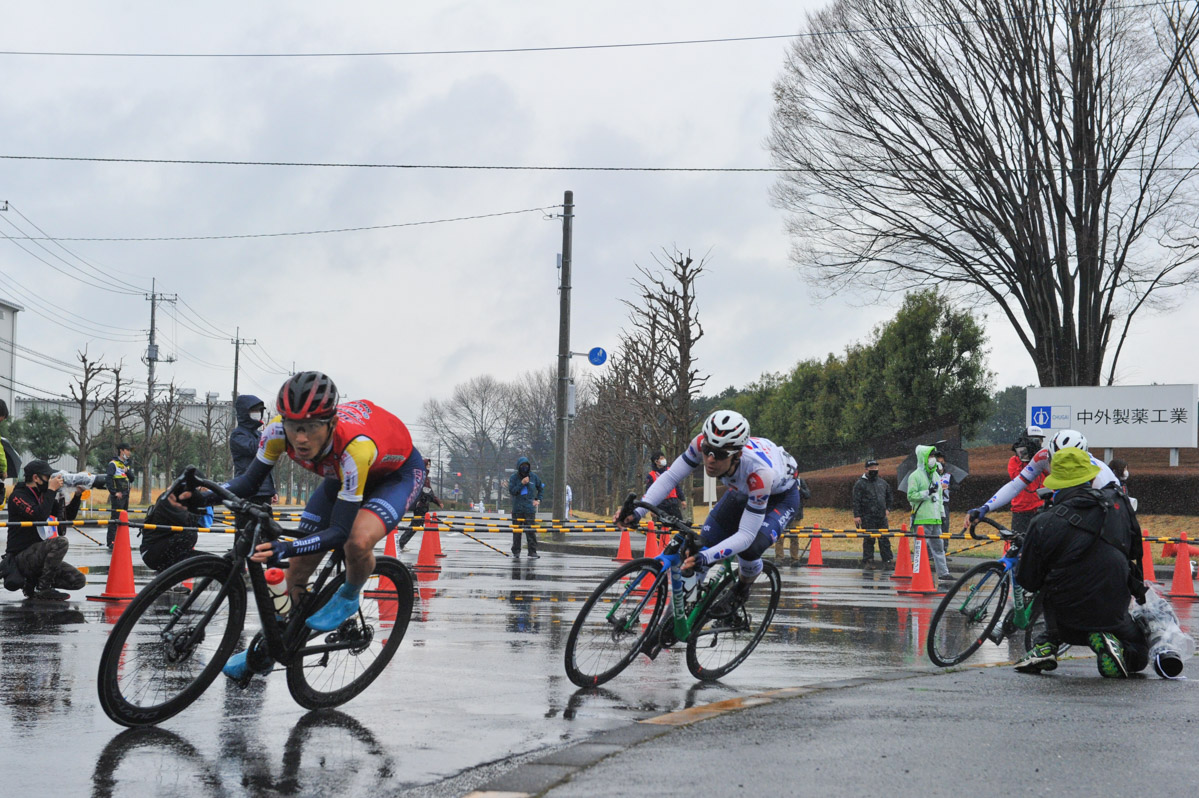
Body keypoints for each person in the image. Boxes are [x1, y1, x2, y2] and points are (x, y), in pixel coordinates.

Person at [217, 371, 426, 681]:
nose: (301, 438)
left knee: (355, 541)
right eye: (294, 426)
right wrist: (197, 494)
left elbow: (339, 533)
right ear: (282, 420)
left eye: (312, 427)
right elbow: (248, 482)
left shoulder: (356, 447)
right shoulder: (275, 432)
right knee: (296, 571)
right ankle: (269, 648)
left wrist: (286, 546)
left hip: (395, 476)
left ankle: (349, 594)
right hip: (342, 478)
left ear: (330, 423)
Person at [618, 410, 800, 603]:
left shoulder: (759, 473)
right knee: (700, 546)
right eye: (707, 450)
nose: (710, 459)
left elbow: (746, 535)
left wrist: (707, 557)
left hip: (780, 497)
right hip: (742, 490)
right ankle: (679, 618)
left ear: (737, 455)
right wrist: (638, 511)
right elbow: (670, 478)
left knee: (750, 549)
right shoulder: (701, 443)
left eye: (720, 454)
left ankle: (742, 589)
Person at [1013, 447, 1149, 677]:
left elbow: (1028, 580)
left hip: (1065, 619)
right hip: (1114, 609)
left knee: (1053, 581)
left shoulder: (1042, 522)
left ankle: (1047, 644)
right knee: (1138, 657)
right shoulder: (1119, 505)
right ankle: (1105, 638)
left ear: (1055, 483)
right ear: (1092, 477)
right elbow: (1134, 551)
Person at [969, 428, 1118, 524]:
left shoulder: (1099, 472)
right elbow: (1015, 486)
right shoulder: (1043, 456)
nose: (1061, 465)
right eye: (1056, 459)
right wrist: (986, 507)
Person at [4, 460, 87, 600]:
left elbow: (67, 516)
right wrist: (51, 490)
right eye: (48, 477)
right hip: (21, 557)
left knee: (78, 580)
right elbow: (39, 516)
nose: (51, 480)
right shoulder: (18, 496)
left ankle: (32, 584)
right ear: (36, 478)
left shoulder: (42, 495)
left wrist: (78, 494)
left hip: (38, 555)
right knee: (60, 542)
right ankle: (43, 589)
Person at [906, 445, 951, 583]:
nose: (933, 459)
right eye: (930, 456)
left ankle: (943, 573)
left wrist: (942, 514)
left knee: (939, 548)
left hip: (935, 519)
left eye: (934, 456)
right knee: (920, 549)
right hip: (921, 519)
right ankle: (918, 574)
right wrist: (926, 493)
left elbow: (939, 497)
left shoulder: (936, 475)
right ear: (923, 458)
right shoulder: (915, 476)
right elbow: (911, 496)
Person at [139, 486, 207, 571]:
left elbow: (203, 523)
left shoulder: (181, 500)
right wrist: (200, 506)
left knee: (212, 561)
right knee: (189, 534)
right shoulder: (169, 499)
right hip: (152, 552)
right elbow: (188, 522)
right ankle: (170, 573)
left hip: (165, 548)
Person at [229, 394, 276, 510]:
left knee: (264, 526)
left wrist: (272, 489)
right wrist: (266, 436)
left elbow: (267, 462)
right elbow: (255, 449)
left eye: (259, 410)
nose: (257, 413)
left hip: (265, 491)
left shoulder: (259, 434)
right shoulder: (237, 435)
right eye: (254, 410)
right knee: (246, 525)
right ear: (244, 412)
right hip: (246, 490)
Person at [853, 459, 894, 569]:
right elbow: (856, 500)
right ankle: (868, 561)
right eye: (871, 468)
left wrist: (888, 509)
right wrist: (857, 515)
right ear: (866, 469)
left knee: (884, 538)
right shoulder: (860, 484)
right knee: (869, 539)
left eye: (875, 468)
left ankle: (887, 560)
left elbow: (889, 496)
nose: (874, 470)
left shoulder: (882, 482)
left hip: (881, 516)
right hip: (867, 516)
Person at [1007, 427, 1047, 534]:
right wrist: (1025, 457)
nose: (1036, 443)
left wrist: (1038, 457)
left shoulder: (1045, 459)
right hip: (1021, 510)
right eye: (1033, 440)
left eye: (1039, 440)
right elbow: (1017, 479)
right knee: (1018, 543)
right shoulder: (1014, 460)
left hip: (1042, 508)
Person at [508, 456, 544, 559]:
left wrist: (538, 499)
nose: (524, 468)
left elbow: (541, 488)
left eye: (526, 466)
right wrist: (521, 483)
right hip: (517, 509)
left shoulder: (534, 477)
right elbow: (512, 491)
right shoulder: (514, 478)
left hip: (529, 510)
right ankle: (516, 551)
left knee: (531, 532)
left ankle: (532, 551)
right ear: (519, 467)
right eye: (522, 466)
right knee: (517, 532)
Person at [398, 470, 443, 551]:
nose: (429, 466)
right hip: (420, 506)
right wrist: (437, 502)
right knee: (415, 526)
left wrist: (437, 502)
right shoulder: (422, 478)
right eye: (428, 464)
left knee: (417, 526)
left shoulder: (425, 478)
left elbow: (430, 493)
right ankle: (401, 542)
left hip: (423, 505)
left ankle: (402, 542)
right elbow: (427, 492)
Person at [105, 442, 135, 548]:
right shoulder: (113, 464)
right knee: (115, 518)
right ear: (121, 451)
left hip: (126, 495)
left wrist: (128, 471)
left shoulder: (126, 464)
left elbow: (132, 479)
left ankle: (120, 540)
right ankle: (111, 541)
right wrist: (114, 492)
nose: (129, 452)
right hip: (118, 496)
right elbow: (108, 479)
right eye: (127, 450)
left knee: (123, 519)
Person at [646, 450, 686, 519]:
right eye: (661, 458)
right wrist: (651, 508)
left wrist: (682, 499)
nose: (664, 460)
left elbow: (677, 486)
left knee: (679, 524)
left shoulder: (670, 471)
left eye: (664, 458)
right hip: (660, 504)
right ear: (656, 461)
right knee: (663, 527)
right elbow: (649, 493)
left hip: (673, 503)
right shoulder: (651, 476)